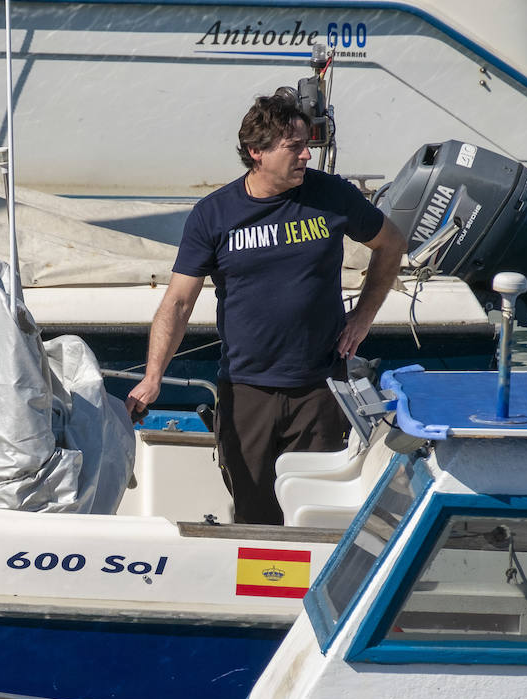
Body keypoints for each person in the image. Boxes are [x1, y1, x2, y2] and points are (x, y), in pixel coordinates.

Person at [125, 87, 407, 525]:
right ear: (256, 152)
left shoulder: (332, 196)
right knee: (255, 516)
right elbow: (179, 302)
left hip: (319, 389)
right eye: (294, 148)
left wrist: (364, 315)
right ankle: (259, 591)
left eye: (307, 147)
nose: (306, 157)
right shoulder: (213, 215)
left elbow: (391, 244)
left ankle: (310, 593)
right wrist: (153, 376)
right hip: (246, 391)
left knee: (314, 515)